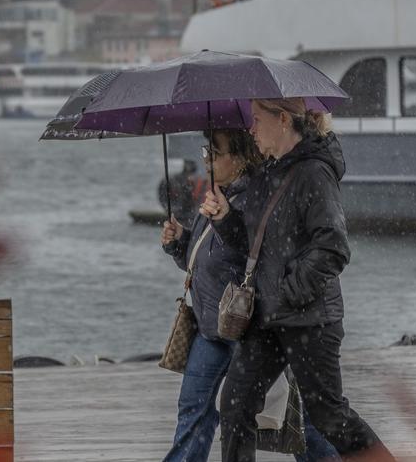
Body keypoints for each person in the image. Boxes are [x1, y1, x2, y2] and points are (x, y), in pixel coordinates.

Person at [201, 99, 392, 462]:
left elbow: (333, 247)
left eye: (257, 120)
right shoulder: (265, 174)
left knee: (329, 415)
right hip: (266, 318)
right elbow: (254, 245)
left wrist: (289, 291)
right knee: (236, 405)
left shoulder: (314, 173)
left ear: (283, 120)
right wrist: (225, 218)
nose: (251, 129)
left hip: (309, 318)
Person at [161, 129, 338, 462]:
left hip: (248, 325)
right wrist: (178, 242)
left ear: (239, 158)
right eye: (205, 152)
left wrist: (226, 217)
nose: (206, 160)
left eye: (214, 153)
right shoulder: (217, 196)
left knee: (293, 414)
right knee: (193, 408)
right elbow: (200, 263)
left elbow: (260, 254)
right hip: (210, 327)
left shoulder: (258, 197)